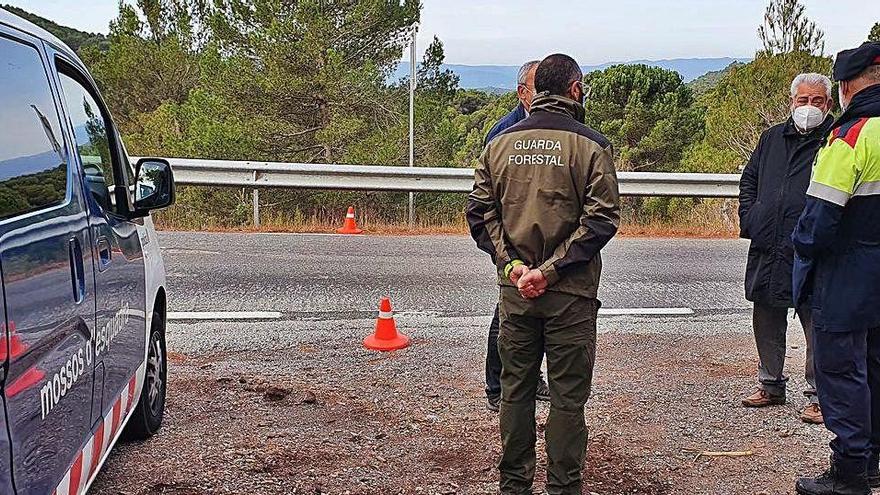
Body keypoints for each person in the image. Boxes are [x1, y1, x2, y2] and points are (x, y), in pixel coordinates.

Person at [468, 53, 620, 495]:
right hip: (570, 297)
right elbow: (601, 221)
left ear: (535, 92)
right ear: (575, 89)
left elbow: (479, 214)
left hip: (516, 294)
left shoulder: (498, 143)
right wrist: (550, 273)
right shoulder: (592, 145)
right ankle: (562, 487)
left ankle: (514, 485)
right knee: (568, 398)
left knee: (514, 391)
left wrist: (515, 267)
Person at [792, 42, 880, 495]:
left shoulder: (849, 136)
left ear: (844, 87)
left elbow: (819, 221)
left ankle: (849, 472)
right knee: (876, 365)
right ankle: (874, 462)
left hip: (846, 273)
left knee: (841, 369)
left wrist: (800, 248)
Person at [738, 73, 834, 424]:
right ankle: (770, 384)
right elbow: (749, 180)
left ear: (828, 103)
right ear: (792, 102)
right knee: (765, 313)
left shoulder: (834, 139)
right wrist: (752, 217)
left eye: (817, 101)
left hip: (811, 247)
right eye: (803, 100)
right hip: (768, 242)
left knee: (815, 321)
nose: (809, 108)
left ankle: (819, 396)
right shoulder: (771, 138)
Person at [482, 59, 551, 413]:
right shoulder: (502, 133)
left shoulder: (558, 129)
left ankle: (532, 377)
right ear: (522, 92)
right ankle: (496, 385)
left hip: (546, 242)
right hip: (513, 245)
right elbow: (488, 198)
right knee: (507, 312)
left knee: (537, 313)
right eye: (538, 87)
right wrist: (504, 252)